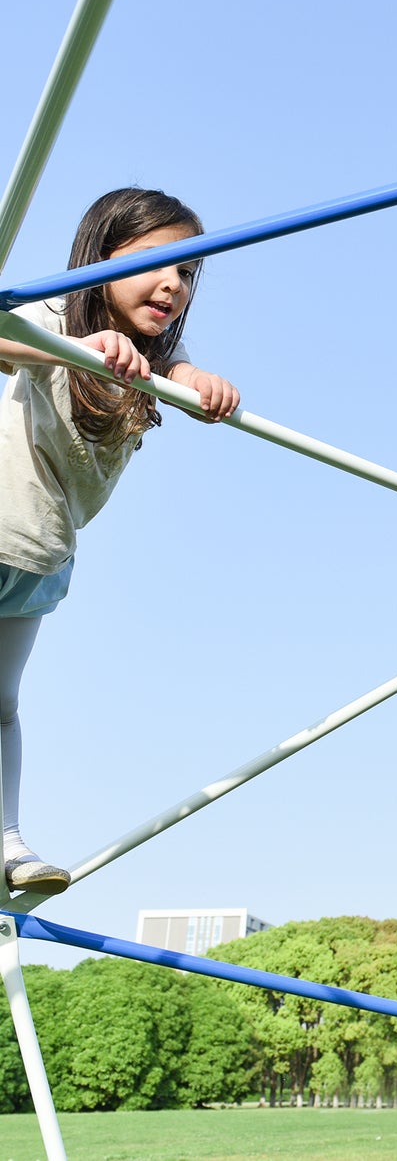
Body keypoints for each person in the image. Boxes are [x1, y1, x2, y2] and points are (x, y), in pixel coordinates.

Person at [0, 187, 239, 895]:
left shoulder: (155, 358)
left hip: (42, 556)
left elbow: (179, 371)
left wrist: (194, 379)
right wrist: (73, 346)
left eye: (189, 272)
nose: (173, 282)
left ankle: (7, 842)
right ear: (99, 258)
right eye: (155, 262)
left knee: (4, 704)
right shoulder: (53, 313)